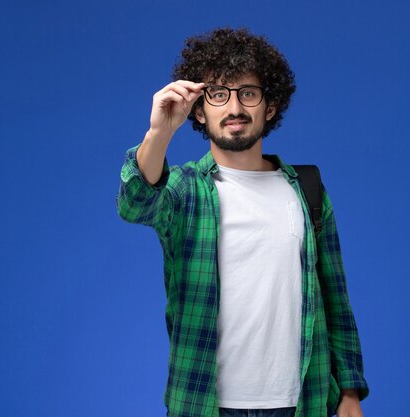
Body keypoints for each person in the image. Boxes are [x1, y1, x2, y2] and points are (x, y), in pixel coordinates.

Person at [117, 28, 369, 417]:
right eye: (219, 93)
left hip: (302, 401)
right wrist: (159, 133)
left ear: (269, 106)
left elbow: (336, 298)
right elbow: (135, 204)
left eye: (248, 93)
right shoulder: (185, 190)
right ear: (200, 110)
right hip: (205, 404)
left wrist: (349, 391)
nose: (234, 108)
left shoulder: (308, 191)